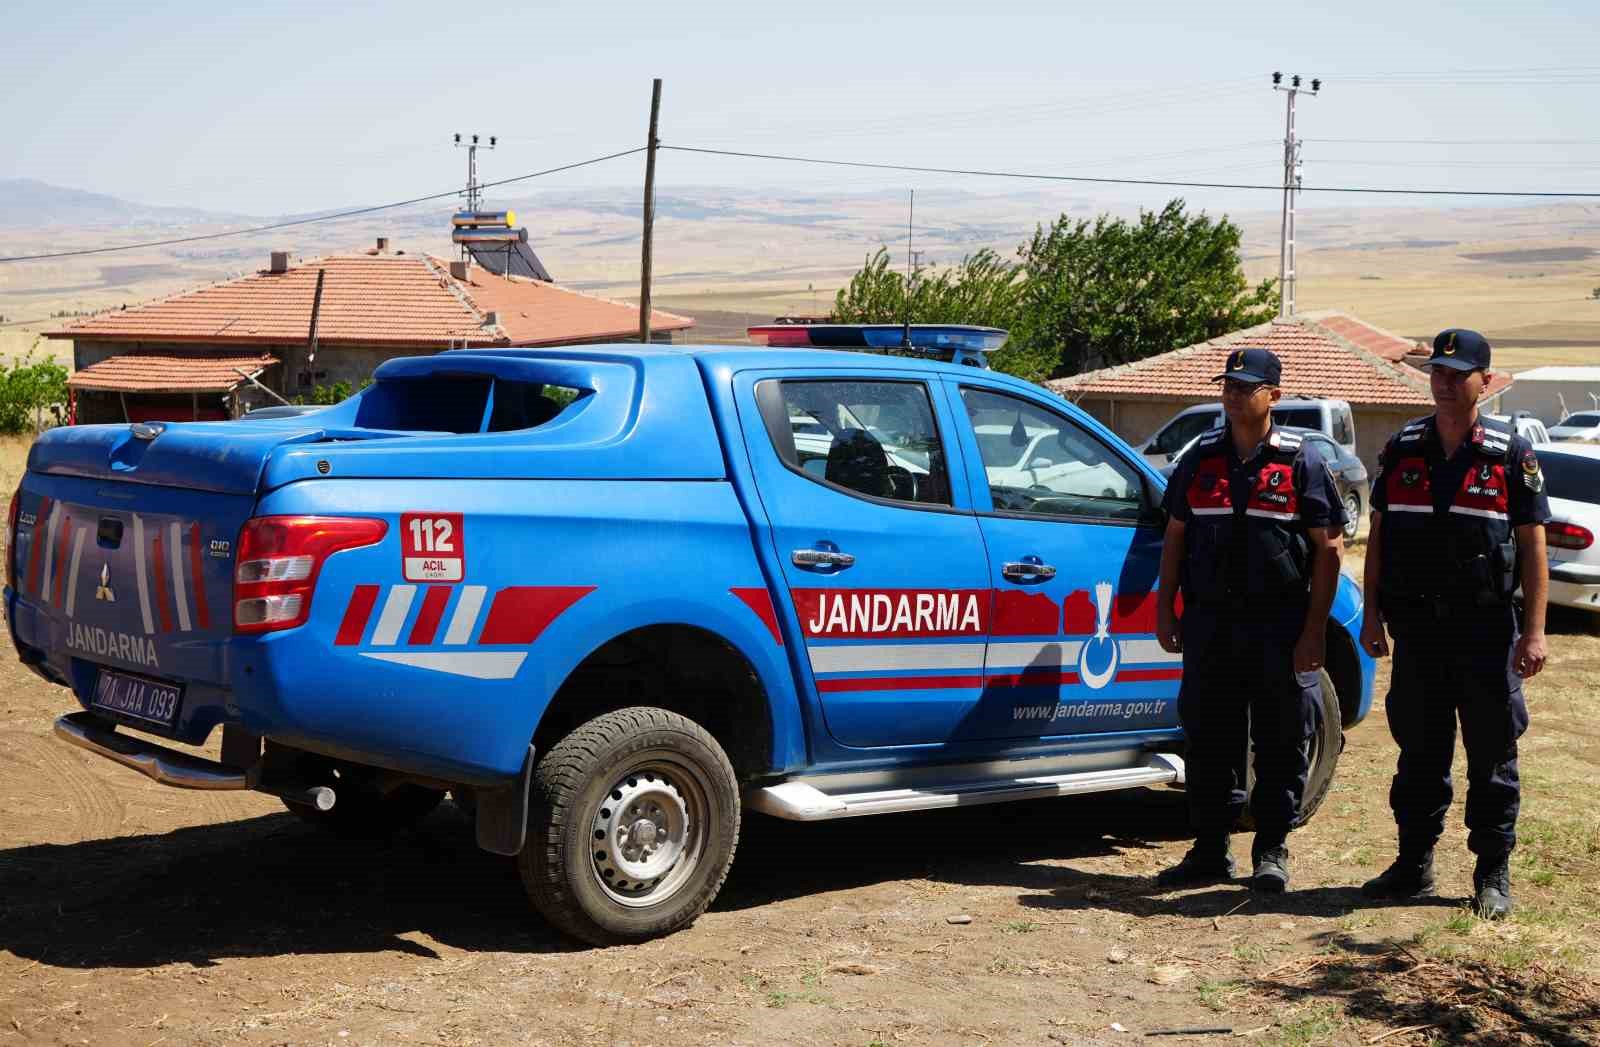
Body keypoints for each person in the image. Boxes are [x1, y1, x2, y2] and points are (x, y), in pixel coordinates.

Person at [1359, 328, 1549, 919]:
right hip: (1418, 633)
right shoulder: (1403, 447)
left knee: (1492, 757)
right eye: (1437, 373)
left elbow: (1533, 547)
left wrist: (1534, 631)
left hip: (1485, 633)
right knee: (1419, 754)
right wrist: (1371, 614)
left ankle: (1492, 871)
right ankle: (1413, 864)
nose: (1443, 383)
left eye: (1456, 374)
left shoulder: (1509, 453)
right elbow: (1379, 538)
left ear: (1483, 382)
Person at [1155, 347, 1346, 893]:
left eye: (1246, 386)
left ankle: (1272, 849)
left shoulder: (1301, 461)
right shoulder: (1200, 457)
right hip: (1211, 623)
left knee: (1281, 739)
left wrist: (1314, 631)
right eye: (1228, 385)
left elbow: (1329, 550)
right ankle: (1210, 850)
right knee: (1209, 736)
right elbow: (1175, 536)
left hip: (1277, 626)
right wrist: (1166, 608)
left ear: (1274, 396)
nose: (1234, 394)